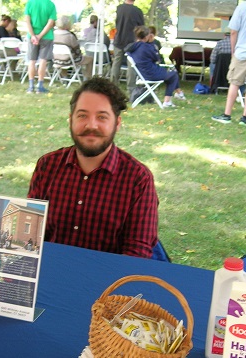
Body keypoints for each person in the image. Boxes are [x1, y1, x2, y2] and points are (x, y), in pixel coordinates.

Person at [28, 77, 158, 258]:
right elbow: (29, 234)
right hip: (50, 275)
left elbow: (137, 254)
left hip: (108, 282)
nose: (91, 125)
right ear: (71, 120)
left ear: (117, 124)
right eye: (82, 115)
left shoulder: (138, 179)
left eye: (102, 117)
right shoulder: (47, 166)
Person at [126, 25, 185, 107]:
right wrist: (151, 42)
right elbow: (157, 58)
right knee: (174, 74)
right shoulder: (147, 47)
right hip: (151, 73)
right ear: (147, 36)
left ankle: (178, 93)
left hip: (141, 74)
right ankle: (168, 101)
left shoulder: (132, 47)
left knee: (170, 74)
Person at [24, 0, 57, 94]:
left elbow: (27, 21)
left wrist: (33, 35)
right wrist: (40, 35)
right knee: (43, 60)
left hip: (32, 36)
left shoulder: (30, 3)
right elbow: (50, 23)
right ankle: (40, 86)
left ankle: (31, 86)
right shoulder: (50, 4)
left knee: (32, 61)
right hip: (47, 36)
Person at [110, 0, 144, 85]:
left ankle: (113, 85)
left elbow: (117, 23)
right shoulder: (137, 11)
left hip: (119, 39)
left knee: (116, 63)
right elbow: (142, 27)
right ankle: (131, 87)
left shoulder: (119, 8)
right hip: (132, 41)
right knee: (131, 66)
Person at [54, 15, 94, 80]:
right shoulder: (70, 36)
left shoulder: (53, 35)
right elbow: (77, 50)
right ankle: (87, 78)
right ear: (67, 25)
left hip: (56, 60)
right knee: (90, 59)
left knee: (64, 57)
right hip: (68, 61)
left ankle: (64, 77)